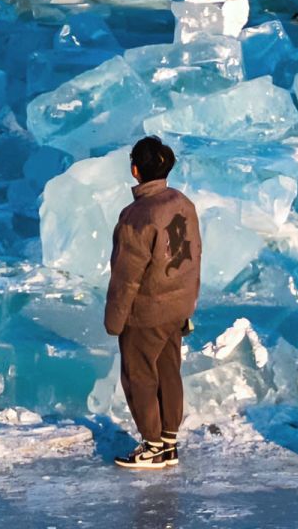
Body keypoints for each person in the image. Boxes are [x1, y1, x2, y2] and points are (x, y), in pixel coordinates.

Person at [104, 135, 201, 470]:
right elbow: (193, 258)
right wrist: (188, 305)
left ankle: (153, 445)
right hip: (176, 308)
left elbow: (126, 277)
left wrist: (115, 320)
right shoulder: (184, 203)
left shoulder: (136, 216)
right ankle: (169, 441)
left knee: (139, 376)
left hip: (146, 313)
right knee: (168, 370)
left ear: (135, 170)